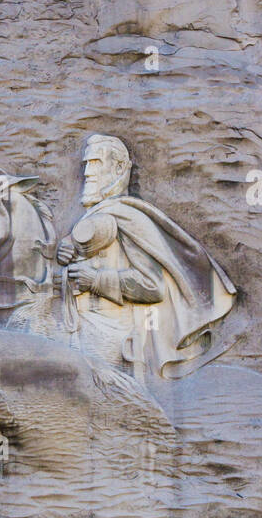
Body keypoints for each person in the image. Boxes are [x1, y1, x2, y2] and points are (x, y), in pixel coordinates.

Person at [55, 133, 236, 378]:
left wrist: (95, 280)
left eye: (96, 163)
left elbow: (152, 286)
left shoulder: (130, 217)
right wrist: (65, 253)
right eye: (86, 164)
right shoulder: (94, 218)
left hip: (111, 338)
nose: (87, 172)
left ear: (119, 168)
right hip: (76, 326)